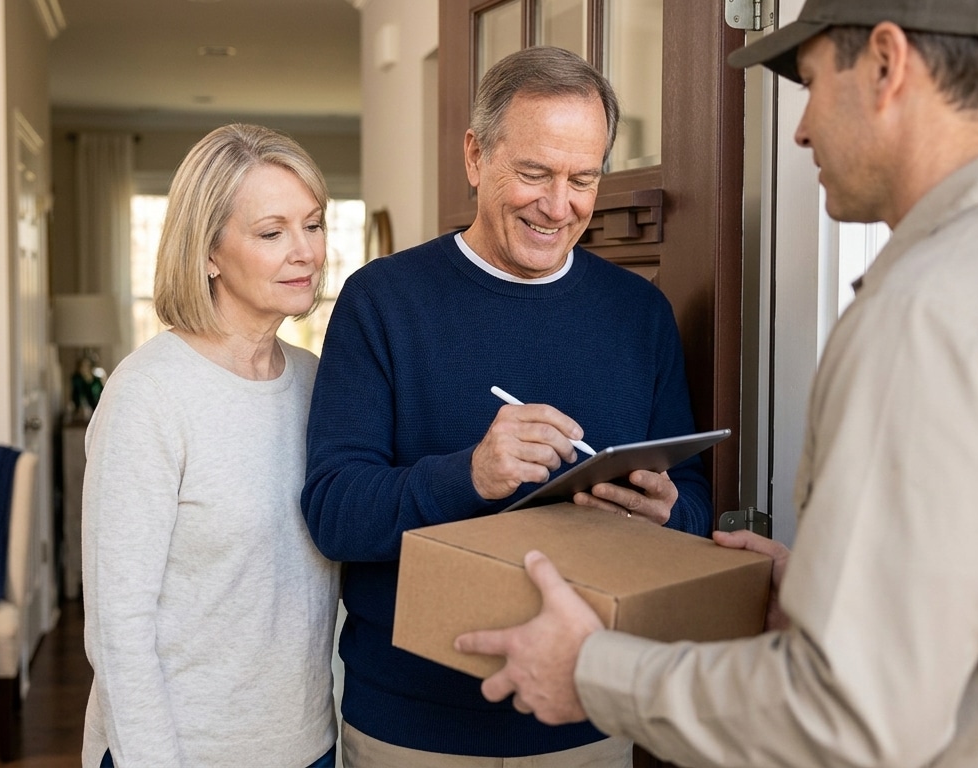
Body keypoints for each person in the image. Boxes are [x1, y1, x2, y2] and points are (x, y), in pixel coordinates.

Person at [456, 1, 978, 765]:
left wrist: (593, 671)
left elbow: (848, 715)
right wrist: (833, 591)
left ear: (888, 65)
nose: (799, 129)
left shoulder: (926, 315)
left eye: (814, 82)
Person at [304, 46, 714, 766]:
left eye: (582, 178)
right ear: (475, 156)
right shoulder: (382, 301)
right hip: (411, 727)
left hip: (588, 718)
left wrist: (668, 515)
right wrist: (471, 475)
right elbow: (334, 511)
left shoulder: (640, 315)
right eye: (534, 174)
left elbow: (696, 503)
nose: (559, 207)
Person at [80, 123, 340, 768]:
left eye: (313, 224)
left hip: (309, 745)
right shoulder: (148, 396)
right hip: (180, 752)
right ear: (207, 253)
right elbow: (119, 629)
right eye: (272, 232)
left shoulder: (314, 383)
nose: (305, 252)